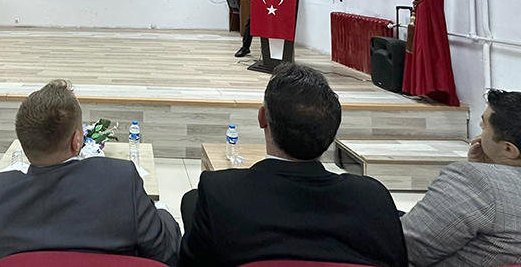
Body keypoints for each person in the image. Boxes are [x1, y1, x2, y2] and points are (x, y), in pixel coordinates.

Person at [180, 63, 407, 267]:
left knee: (191, 202)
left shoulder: (220, 191)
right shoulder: (374, 198)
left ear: (262, 118)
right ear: (332, 129)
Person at [0, 79, 181, 266]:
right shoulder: (120, 179)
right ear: (77, 141)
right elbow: (165, 252)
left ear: (23, 142)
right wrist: (162, 210)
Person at [402, 89, 521, 267]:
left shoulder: (476, 181)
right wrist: (486, 167)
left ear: (508, 149)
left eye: (484, 126)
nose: (480, 132)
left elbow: (407, 247)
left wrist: (480, 172)